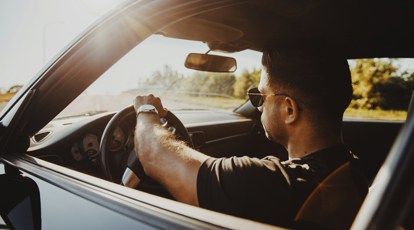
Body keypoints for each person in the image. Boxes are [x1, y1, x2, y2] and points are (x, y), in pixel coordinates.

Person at [132, 45, 368, 228]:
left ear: (289, 110)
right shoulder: (353, 169)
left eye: (261, 96)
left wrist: (146, 111)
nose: (258, 107)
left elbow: (154, 155)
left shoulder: (271, 185)